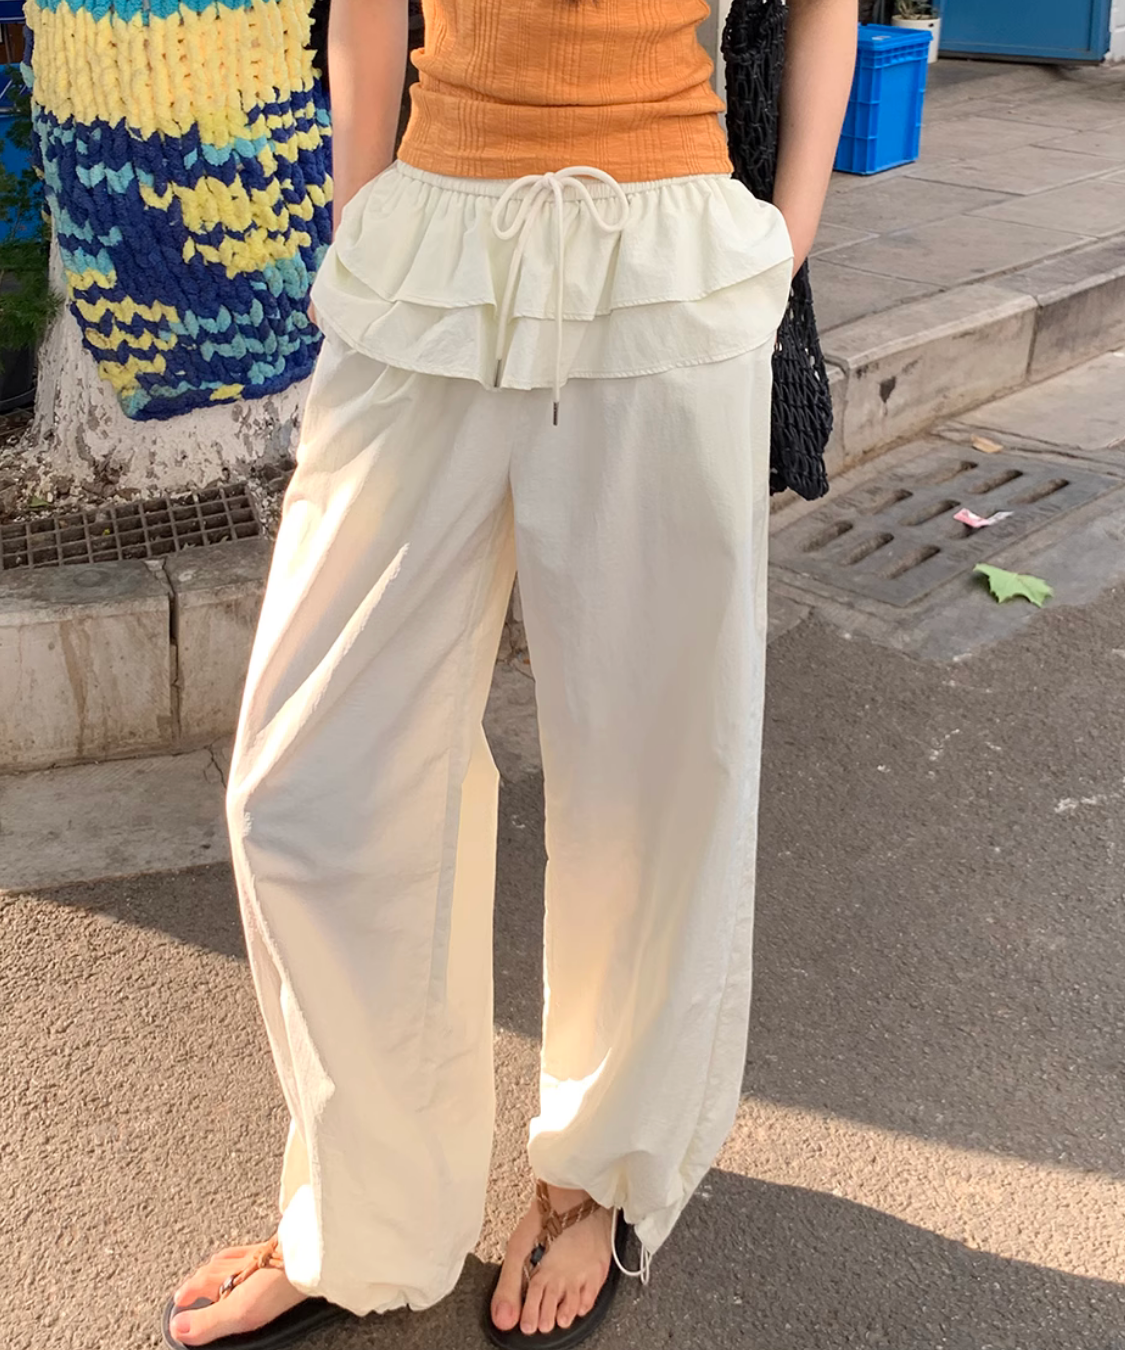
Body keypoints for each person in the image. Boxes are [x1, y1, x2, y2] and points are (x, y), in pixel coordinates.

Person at [163, 0, 857, 1345]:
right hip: (432, 238)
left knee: (656, 773)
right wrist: (362, 211)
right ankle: (365, 1211)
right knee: (305, 780)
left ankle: (597, 1172)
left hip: (664, 254)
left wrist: (788, 236)